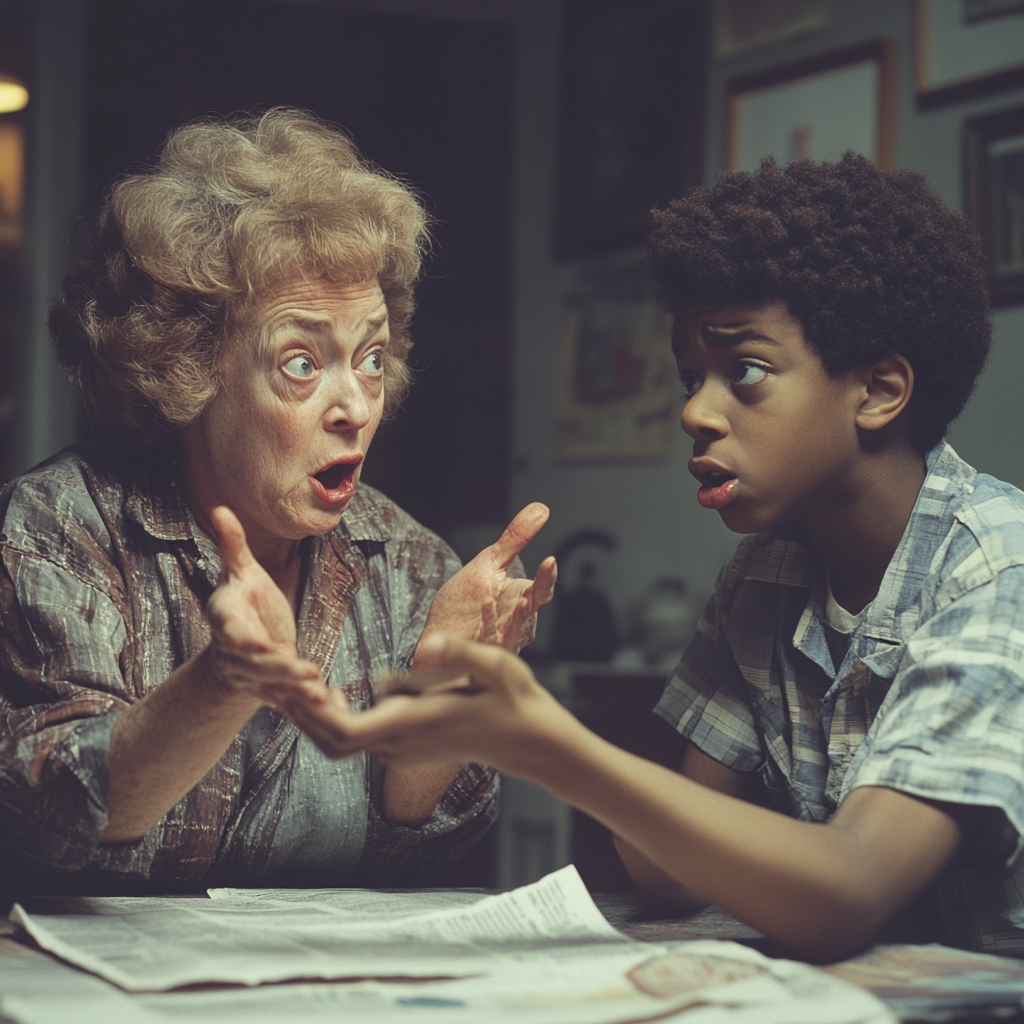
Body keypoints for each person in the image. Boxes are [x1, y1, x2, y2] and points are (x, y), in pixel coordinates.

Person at [278, 153, 1024, 962]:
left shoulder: (999, 571)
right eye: (689, 376)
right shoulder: (768, 573)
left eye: (745, 371)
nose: (696, 412)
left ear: (879, 391)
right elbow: (666, 874)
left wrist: (552, 747)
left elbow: (850, 891)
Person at [0, 107, 555, 895]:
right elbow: (46, 821)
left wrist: (441, 692)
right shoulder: (58, 531)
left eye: (369, 358)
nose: (356, 407)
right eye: (302, 363)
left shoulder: (412, 562)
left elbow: (413, 858)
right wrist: (221, 684)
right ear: (192, 369)